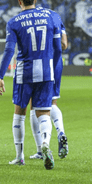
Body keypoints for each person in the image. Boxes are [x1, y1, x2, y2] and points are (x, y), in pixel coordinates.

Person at [0, 0, 62, 170]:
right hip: (47, 72)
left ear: (19, 1)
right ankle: (46, 144)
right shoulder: (51, 17)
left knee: (20, 113)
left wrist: (0, 75)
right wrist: (53, 69)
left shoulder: (14, 22)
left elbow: (10, 50)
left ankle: (19, 156)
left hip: (25, 73)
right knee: (43, 113)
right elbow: (58, 49)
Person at [29, 11, 69, 160]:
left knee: (34, 105)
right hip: (57, 63)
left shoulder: (34, 18)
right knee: (52, 102)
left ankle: (40, 149)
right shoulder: (56, 16)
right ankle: (61, 132)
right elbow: (64, 44)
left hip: (41, 63)